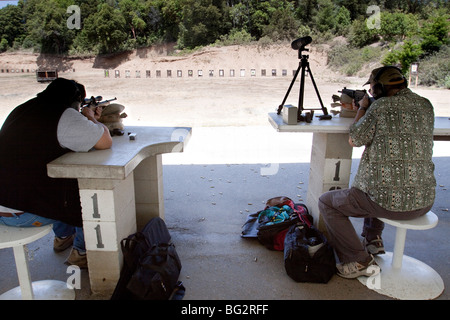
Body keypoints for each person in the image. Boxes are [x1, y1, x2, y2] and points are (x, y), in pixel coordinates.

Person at [319, 66, 436, 279]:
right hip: (425, 200)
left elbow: (355, 139)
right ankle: (373, 241)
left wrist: (362, 109)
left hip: (387, 204)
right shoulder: (425, 105)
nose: (372, 93)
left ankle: (358, 259)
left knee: (328, 202)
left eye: (373, 90)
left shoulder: (379, 108)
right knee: (382, 179)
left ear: (380, 89)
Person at [0, 78, 112, 268]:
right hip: (21, 213)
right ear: (75, 101)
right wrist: (91, 117)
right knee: (88, 198)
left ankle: (63, 237)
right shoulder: (64, 115)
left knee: (55, 182)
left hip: (5, 205)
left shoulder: (23, 108)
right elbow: (104, 142)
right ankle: (81, 253)